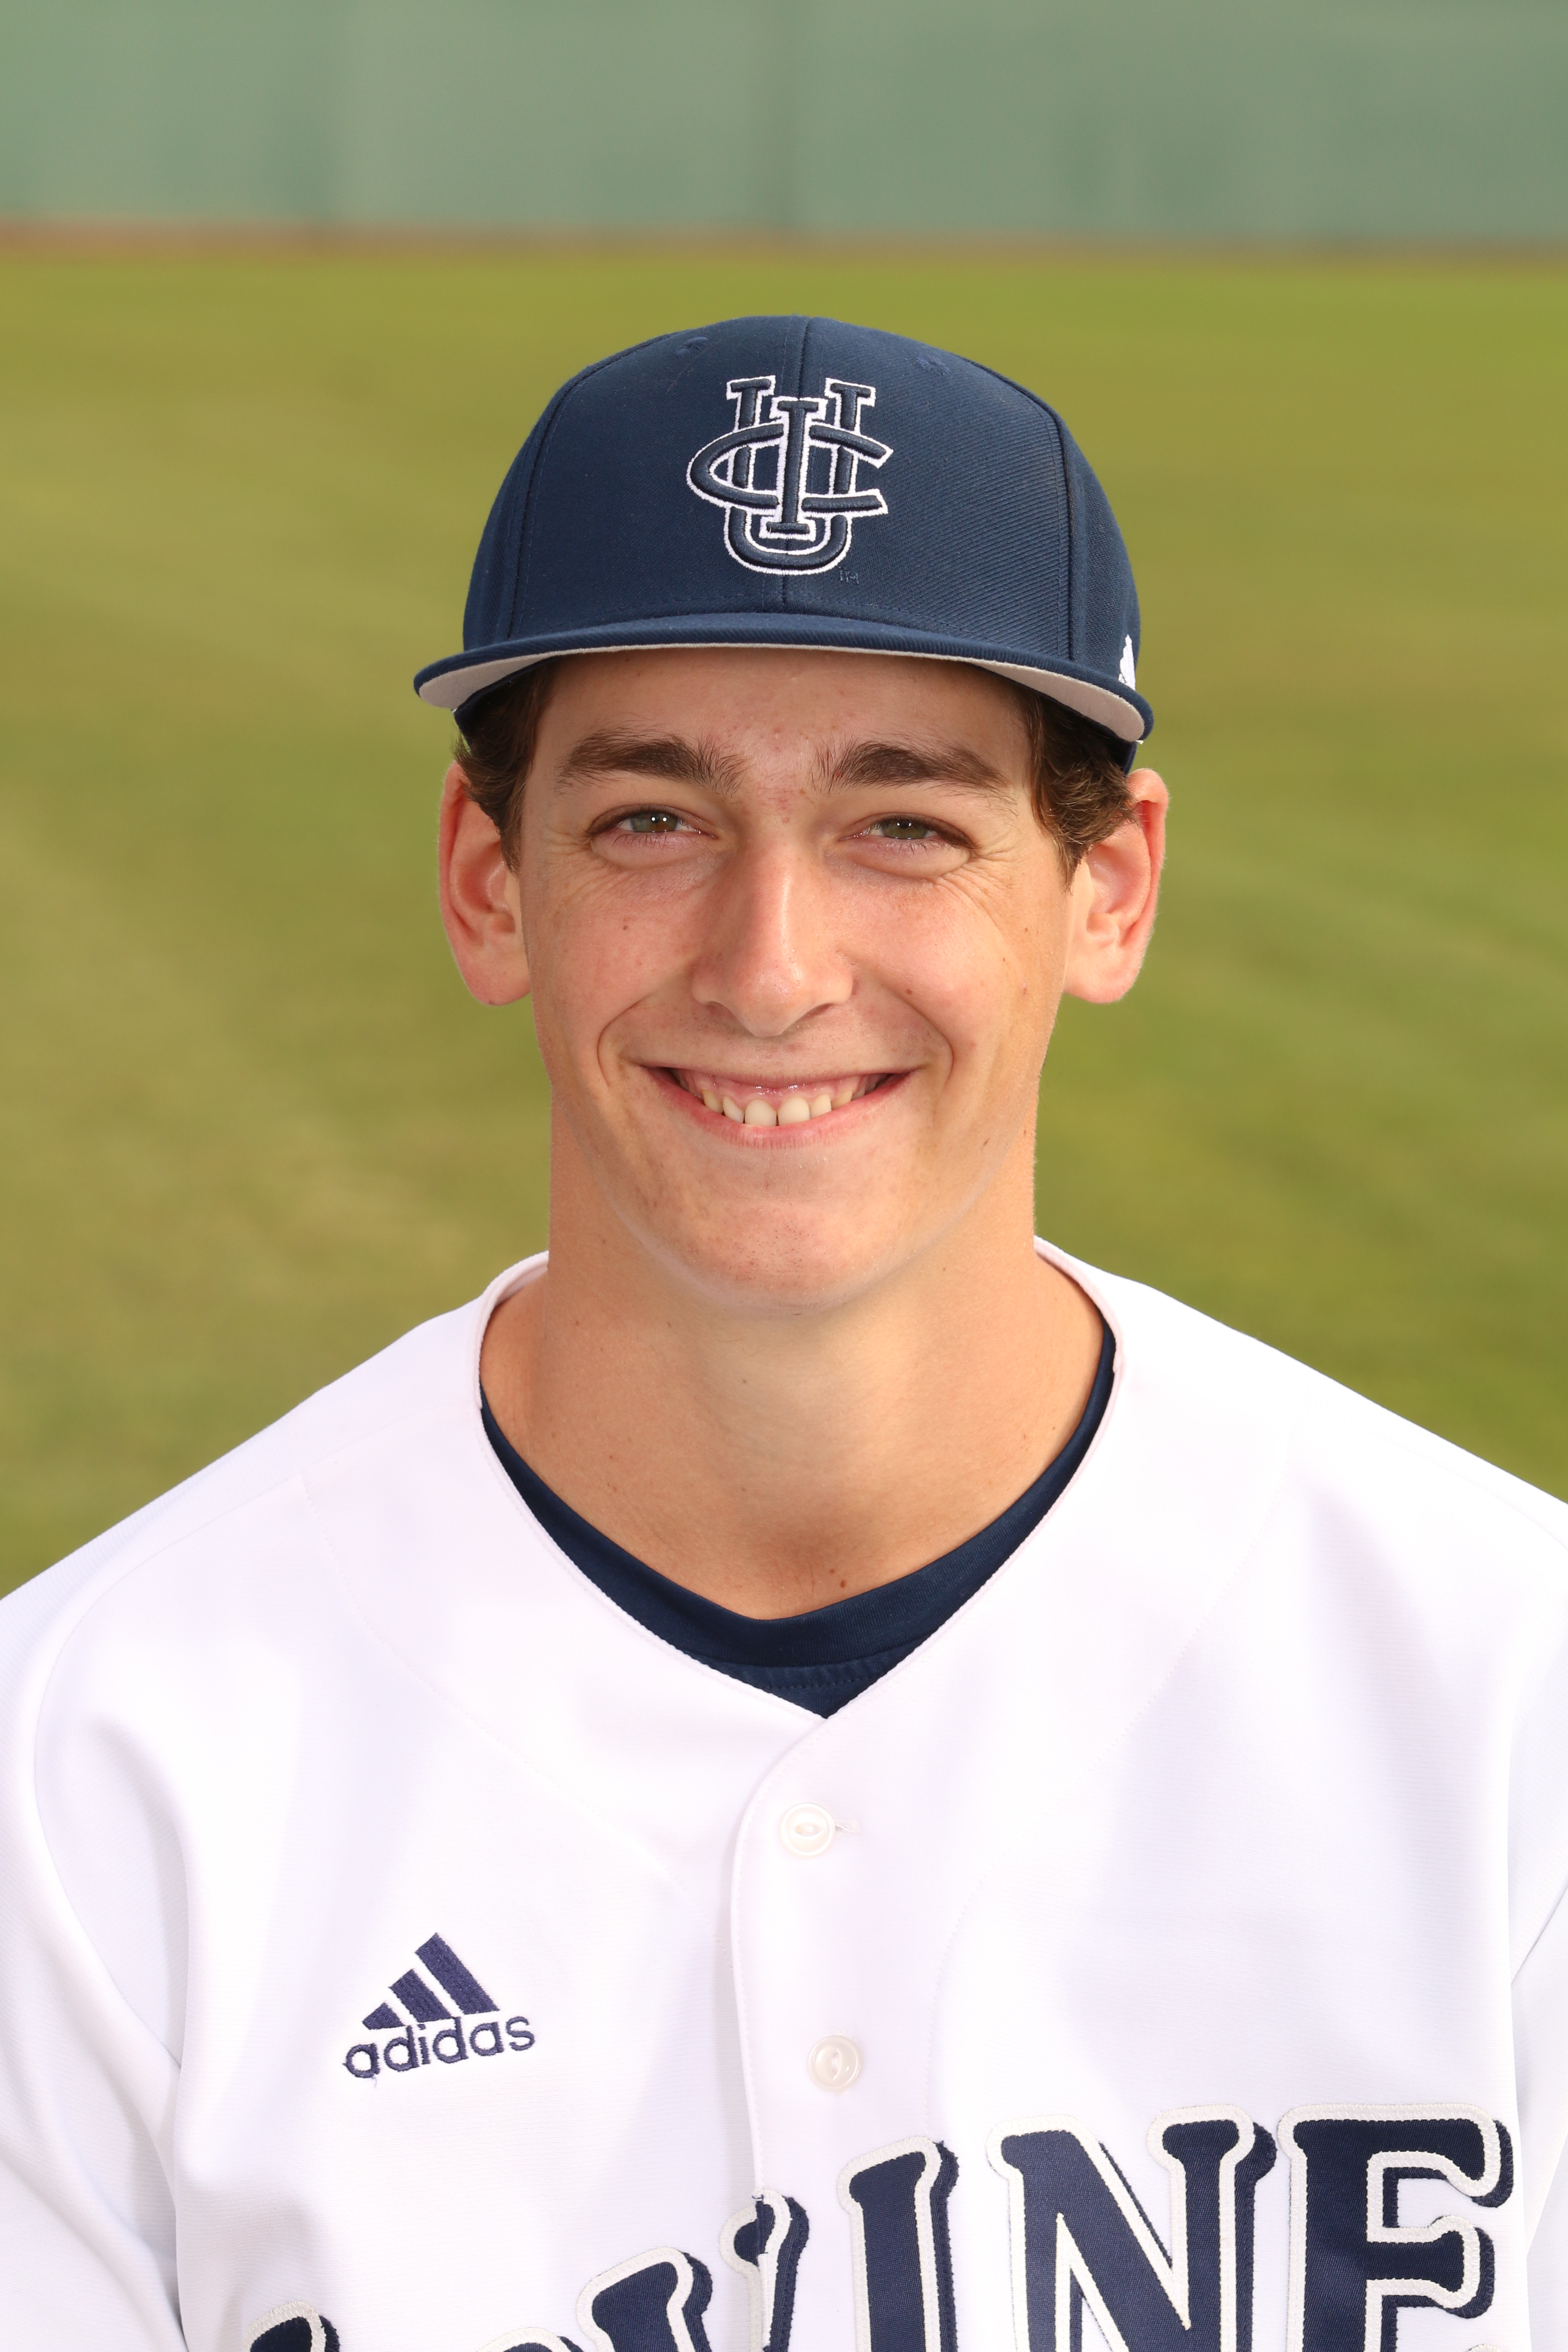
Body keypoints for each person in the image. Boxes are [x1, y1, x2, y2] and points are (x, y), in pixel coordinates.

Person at [0, 316, 1563, 2352]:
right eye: (653, 821)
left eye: (904, 822)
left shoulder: (1510, 1696)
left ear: (1110, 891)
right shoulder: (89, 1777)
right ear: (490, 884)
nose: (769, 965)